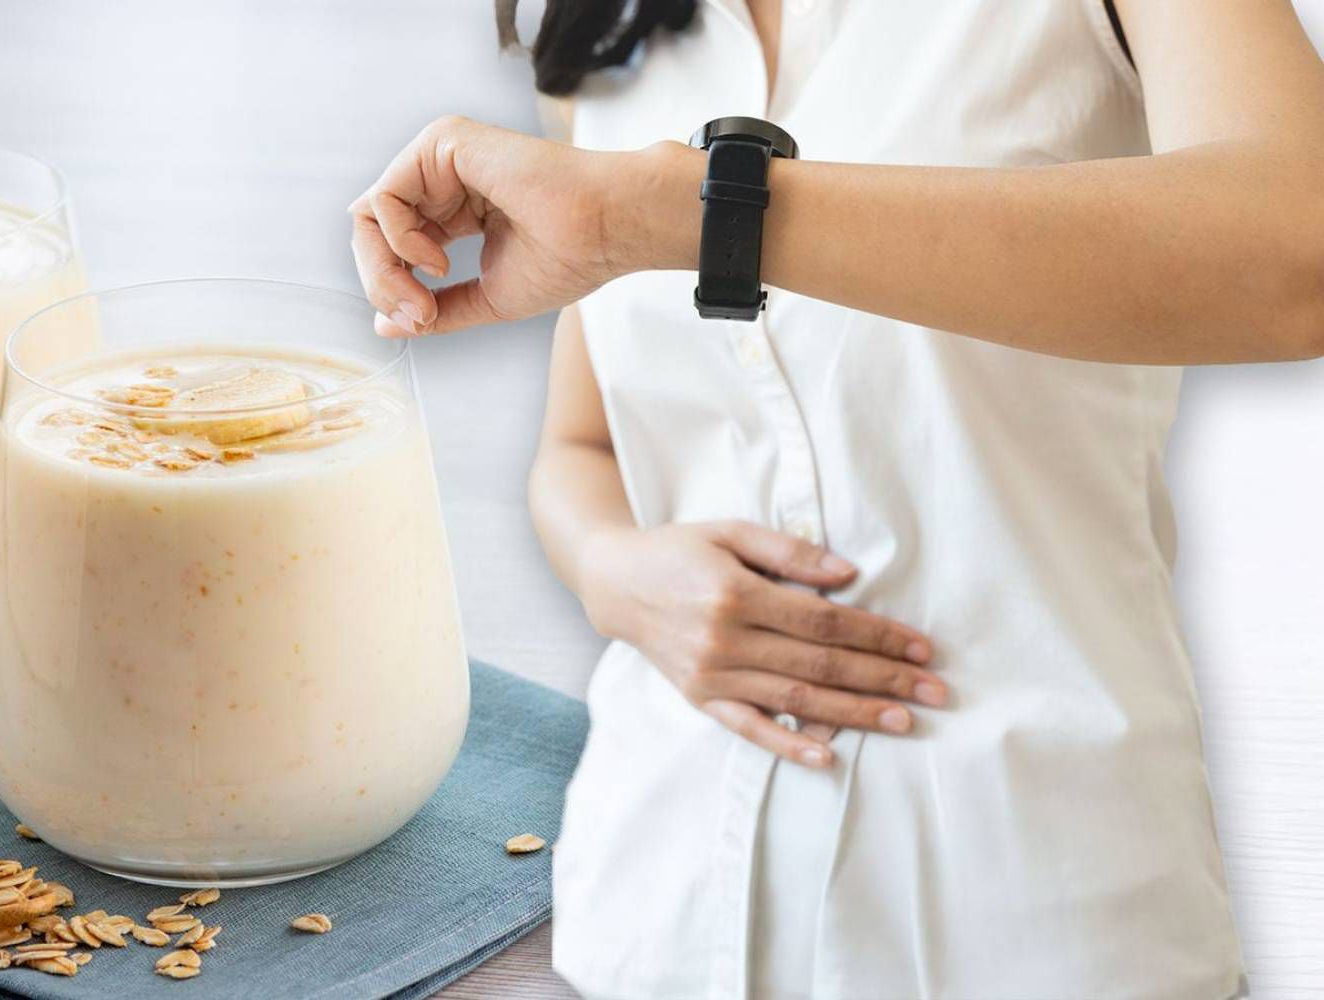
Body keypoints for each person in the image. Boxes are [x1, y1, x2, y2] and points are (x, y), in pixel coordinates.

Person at [347, 1, 1324, 997]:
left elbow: (1299, 248)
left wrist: (686, 212)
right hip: (655, 908)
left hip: (1030, 910)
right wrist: (614, 573)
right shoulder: (607, 25)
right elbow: (580, 446)